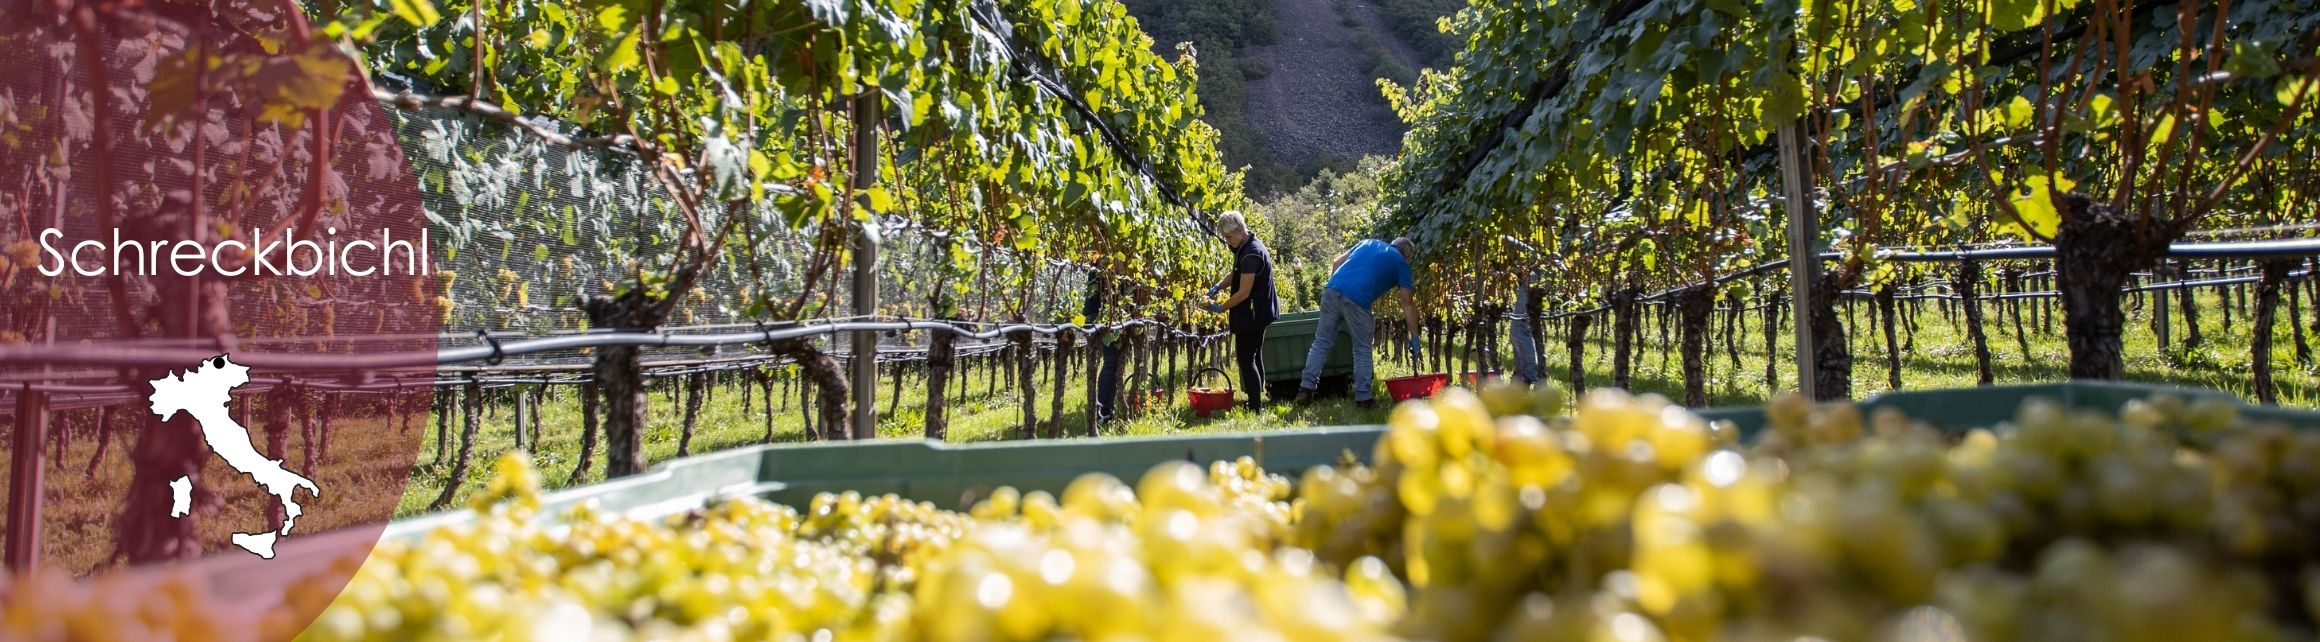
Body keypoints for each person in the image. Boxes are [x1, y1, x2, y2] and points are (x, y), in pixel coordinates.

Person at [1297, 237, 1423, 408]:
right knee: (1362, 349)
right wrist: (1415, 336)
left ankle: (1305, 389)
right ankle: (1364, 398)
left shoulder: (1368, 242)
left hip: (1332, 290)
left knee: (1321, 342)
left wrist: (1337, 291)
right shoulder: (1401, 263)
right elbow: (1408, 303)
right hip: (1358, 299)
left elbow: (1336, 262)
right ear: (1406, 254)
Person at [1200, 212, 1278, 411]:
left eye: (1229, 237)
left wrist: (1220, 307)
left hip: (1253, 313)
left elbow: (1243, 292)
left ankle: (1255, 407)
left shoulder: (1252, 254)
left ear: (1240, 230)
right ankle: (1257, 400)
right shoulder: (1245, 245)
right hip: (1259, 311)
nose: (1227, 242)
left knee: (1245, 358)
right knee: (1253, 355)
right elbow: (1236, 273)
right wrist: (1218, 286)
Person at [1082, 269, 1124, 423]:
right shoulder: (1108, 254)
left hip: (1095, 309)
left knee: (1109, 361)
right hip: (1105, 311)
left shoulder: (1097, 252)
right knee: (1111, 360)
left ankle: (1102, 410)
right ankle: (1103, 413)